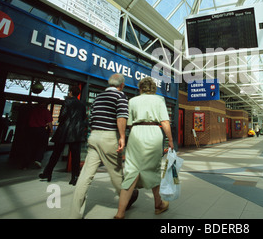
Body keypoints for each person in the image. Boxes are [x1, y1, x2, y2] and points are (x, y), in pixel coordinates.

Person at [70, 74, 137, 218]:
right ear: (122, 85)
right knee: (116, 173)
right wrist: (122, 137)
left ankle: (74, 214)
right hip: (110, 137)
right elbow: (121, 117)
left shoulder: (98, 98)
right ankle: (128, 197)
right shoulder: (121, 97)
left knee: (85, 176)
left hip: (94, 137)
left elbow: (92, 118)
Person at [114, 76, 174, 219]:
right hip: (153, 132)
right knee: (153, 168)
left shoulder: (132, 101)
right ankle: (158, 205)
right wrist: (170, 140)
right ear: (153, 88)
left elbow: (128, 123)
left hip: (136, 133)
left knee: (131, 169)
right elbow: (164, 121)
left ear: (140, 88)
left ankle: (120, 212)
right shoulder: (159, 100)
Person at [39, 85, 87, 184]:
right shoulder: (82, 105)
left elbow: (62, 116)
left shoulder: (67, 102)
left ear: (70, 92)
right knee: (75, 155)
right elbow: (83, 117)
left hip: (65, 131)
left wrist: (62, 121)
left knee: (56, 153)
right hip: (76, 132)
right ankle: (75, 177)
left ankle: (47, 173)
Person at [23, 102, 53, 169]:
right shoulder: (46, 111)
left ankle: (25, 163)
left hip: (31, 129)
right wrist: (51, 130)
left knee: (29, 146)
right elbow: (49, 122)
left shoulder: (33, 111)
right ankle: (38, 160)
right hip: (41, 130)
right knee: (42, 145)